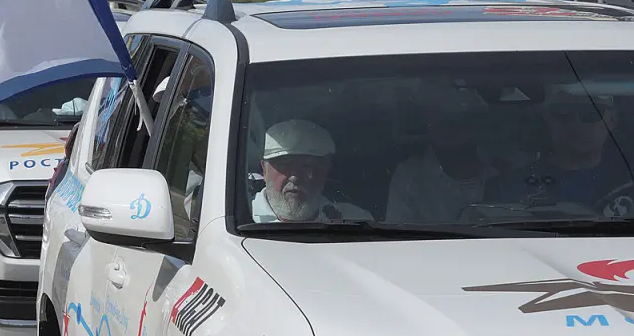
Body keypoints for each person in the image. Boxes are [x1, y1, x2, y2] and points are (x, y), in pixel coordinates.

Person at [487, 87, 632, 212]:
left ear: (613, 119)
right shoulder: (511, 187)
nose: (577, 124)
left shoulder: (627, 181)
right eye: (563, 112)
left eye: (591, 112)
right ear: (547, 118)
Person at [386, 90, 497, 224]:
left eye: (463, 122)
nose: (455, 131)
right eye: (446, 123)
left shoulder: (502, 171)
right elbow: (397, 234)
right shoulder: (411, 176)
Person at [250, 119, 371, 223]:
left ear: (325, 170)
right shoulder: (243, 218)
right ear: (264, 170)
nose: (295, 177)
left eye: (306, 166)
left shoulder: (355, 222)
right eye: (284, 164)